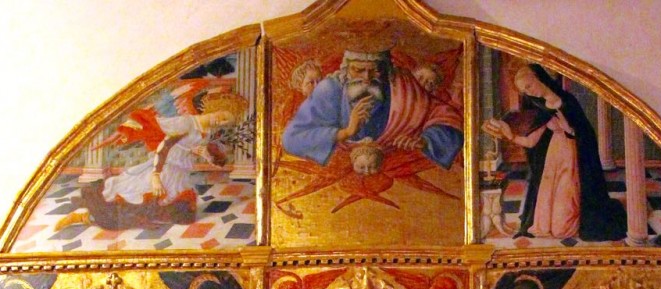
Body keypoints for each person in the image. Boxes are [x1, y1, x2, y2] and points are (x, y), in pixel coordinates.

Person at [55, 92, 246, 231]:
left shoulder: (206, 132)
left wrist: (207, 155)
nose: (220, 122)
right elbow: (164, 147)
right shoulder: (186, 123)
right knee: (131, 197)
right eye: (221, 117)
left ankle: (88, 212)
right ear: (213, 109)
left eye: (225, 123)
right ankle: (84, 216)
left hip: (179, 174)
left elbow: (192, 149)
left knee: (178, 214)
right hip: (163, 169)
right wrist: (155, 177)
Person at [483, 64, 627, 241]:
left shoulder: (567, 101)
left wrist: (568, 128)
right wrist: (508, 134)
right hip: (553, 159)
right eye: (524, 91)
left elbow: (583, 133)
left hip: (572, 160)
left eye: (529, 86)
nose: (529, 92)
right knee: (544, 224)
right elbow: (531, 141)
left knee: (562, 228)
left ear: (539, 78)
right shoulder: (540, 107)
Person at [282, 48, 463, 170]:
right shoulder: (330, 89)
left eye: (374, 71)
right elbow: (292, 139)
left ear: (387, 70)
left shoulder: (405, 87)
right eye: (358, 70)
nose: (367, 78)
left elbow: (446, 118)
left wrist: (425, 140)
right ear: (346, 70)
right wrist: (346, 132)